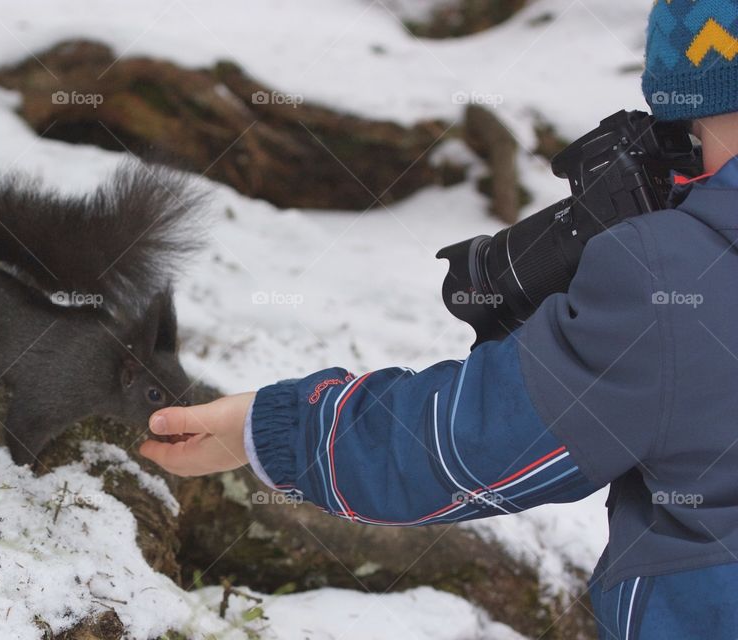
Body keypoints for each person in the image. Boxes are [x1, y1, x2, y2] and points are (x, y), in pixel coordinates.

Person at [141, 2, 738, 637]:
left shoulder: (673, 271)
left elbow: (469, 443)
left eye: (690, 133)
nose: (682, 165)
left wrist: (268, 430)